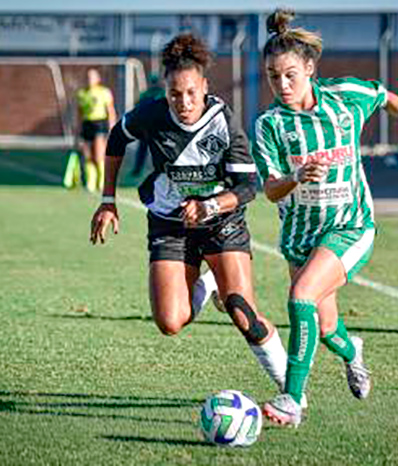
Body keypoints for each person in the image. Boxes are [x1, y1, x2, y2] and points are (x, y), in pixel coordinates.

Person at [252, 9, 398, 427]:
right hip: (300, 237)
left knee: (301, 299)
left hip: (351, 227)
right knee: (327, 328)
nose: (283, 84)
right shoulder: (269, 124)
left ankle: (292, 400)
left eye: (291, 74)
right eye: (274, 76)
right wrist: (295, 177)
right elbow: (270, 188)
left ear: (310, 68)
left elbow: (385, 97)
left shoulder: (345, 96)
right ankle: (354, 353)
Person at [89, 33, 289, 394]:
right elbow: (117, 137)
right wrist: (107, 200)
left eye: (191, 93)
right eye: (174, 94)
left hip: (221, 222)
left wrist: (208, 205)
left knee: (243, 313)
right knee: (169, 322)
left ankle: (292, 393)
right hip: (170, 221)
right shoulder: (151, 114)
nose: (183, 102)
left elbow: (246, 189)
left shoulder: (223, 122)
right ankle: (207, 280)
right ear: (165, 92)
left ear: (205, 87)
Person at [76, 68, 117, 192]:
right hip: (87, 124)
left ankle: (102, 183)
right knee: (87, 155)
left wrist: (112, 127)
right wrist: (77, 130)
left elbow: (110, 111)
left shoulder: (104, 92)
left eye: (92, 77)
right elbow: (80, 113)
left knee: (99, 155)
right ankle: (91, 182)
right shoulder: (82, 93)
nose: (89, 79)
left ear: (97, 79)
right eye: (87, 77)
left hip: (100, 124)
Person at [130, 74, 166, 177]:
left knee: (148, 149)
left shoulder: (149, 94)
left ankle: (138, 170)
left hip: (151, 127)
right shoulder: (158, 94)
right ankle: (138, 171)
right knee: (149, 149)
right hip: (153, 127)